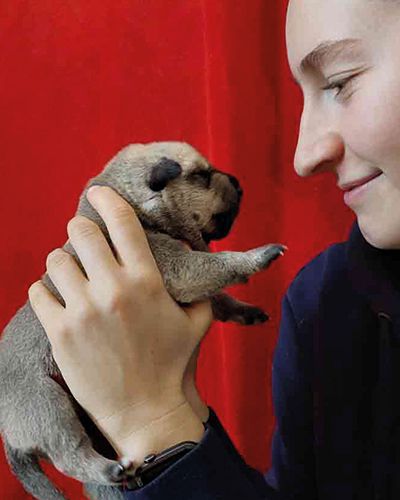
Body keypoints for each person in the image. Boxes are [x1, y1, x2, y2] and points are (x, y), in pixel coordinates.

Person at [27, 0, 400, 498]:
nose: (304, 155)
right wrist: (170, 424)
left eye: (338, 81)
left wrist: (150, 418)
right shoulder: (323, 304)